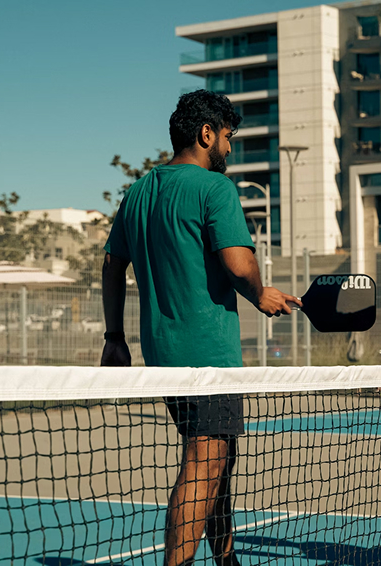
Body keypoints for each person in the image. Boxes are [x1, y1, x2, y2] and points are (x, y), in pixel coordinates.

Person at [100, 89, 299, 566]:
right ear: (206, 134)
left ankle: (226, 561)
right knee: (204, 464)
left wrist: (114, 338)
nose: (229, 148)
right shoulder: (215, 189)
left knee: (216, 464)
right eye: (228, 137)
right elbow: (238, 264)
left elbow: (111, 265)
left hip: (162, 356)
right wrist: (260, 293)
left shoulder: (138, 192)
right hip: (209, 358)